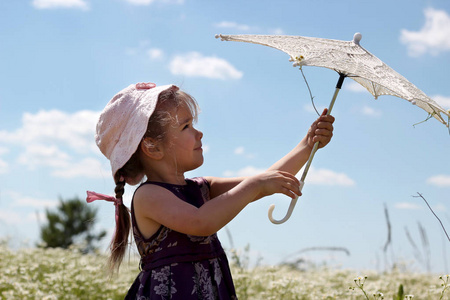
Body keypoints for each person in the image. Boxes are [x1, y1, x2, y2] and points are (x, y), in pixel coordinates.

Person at [86, 82, 335, 299]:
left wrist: (308, 143)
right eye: (186, 127)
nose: (199, 133)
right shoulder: (148, 196)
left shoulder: (201, 187)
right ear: (152, 147)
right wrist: (256, 184)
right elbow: (201, 221)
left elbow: (262, 182)